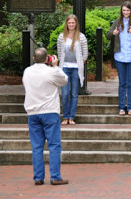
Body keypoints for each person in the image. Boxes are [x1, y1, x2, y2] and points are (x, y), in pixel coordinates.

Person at [23, 47, 69, 186]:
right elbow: (64, 80)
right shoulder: (51, 72)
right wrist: (55, 66)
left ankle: (38, 177)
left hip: (33, 112)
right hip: (49, 111)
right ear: (47, 59)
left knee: (37, 146)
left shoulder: (27, 71)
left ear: (33, 59)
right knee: (54, 145)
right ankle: (55, 176)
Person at [57, 14, 88, 125]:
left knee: (74, 94)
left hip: (76, 69)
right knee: (65, 93)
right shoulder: (61, 37)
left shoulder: (81, 36)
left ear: (76, 24)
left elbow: (85, 54)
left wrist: (80, 63)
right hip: (65, 67)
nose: (71, 25)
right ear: (66, 24)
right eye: (69, 23)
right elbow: (60, 53)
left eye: (73, 23)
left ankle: (71, 117)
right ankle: (65, 117)